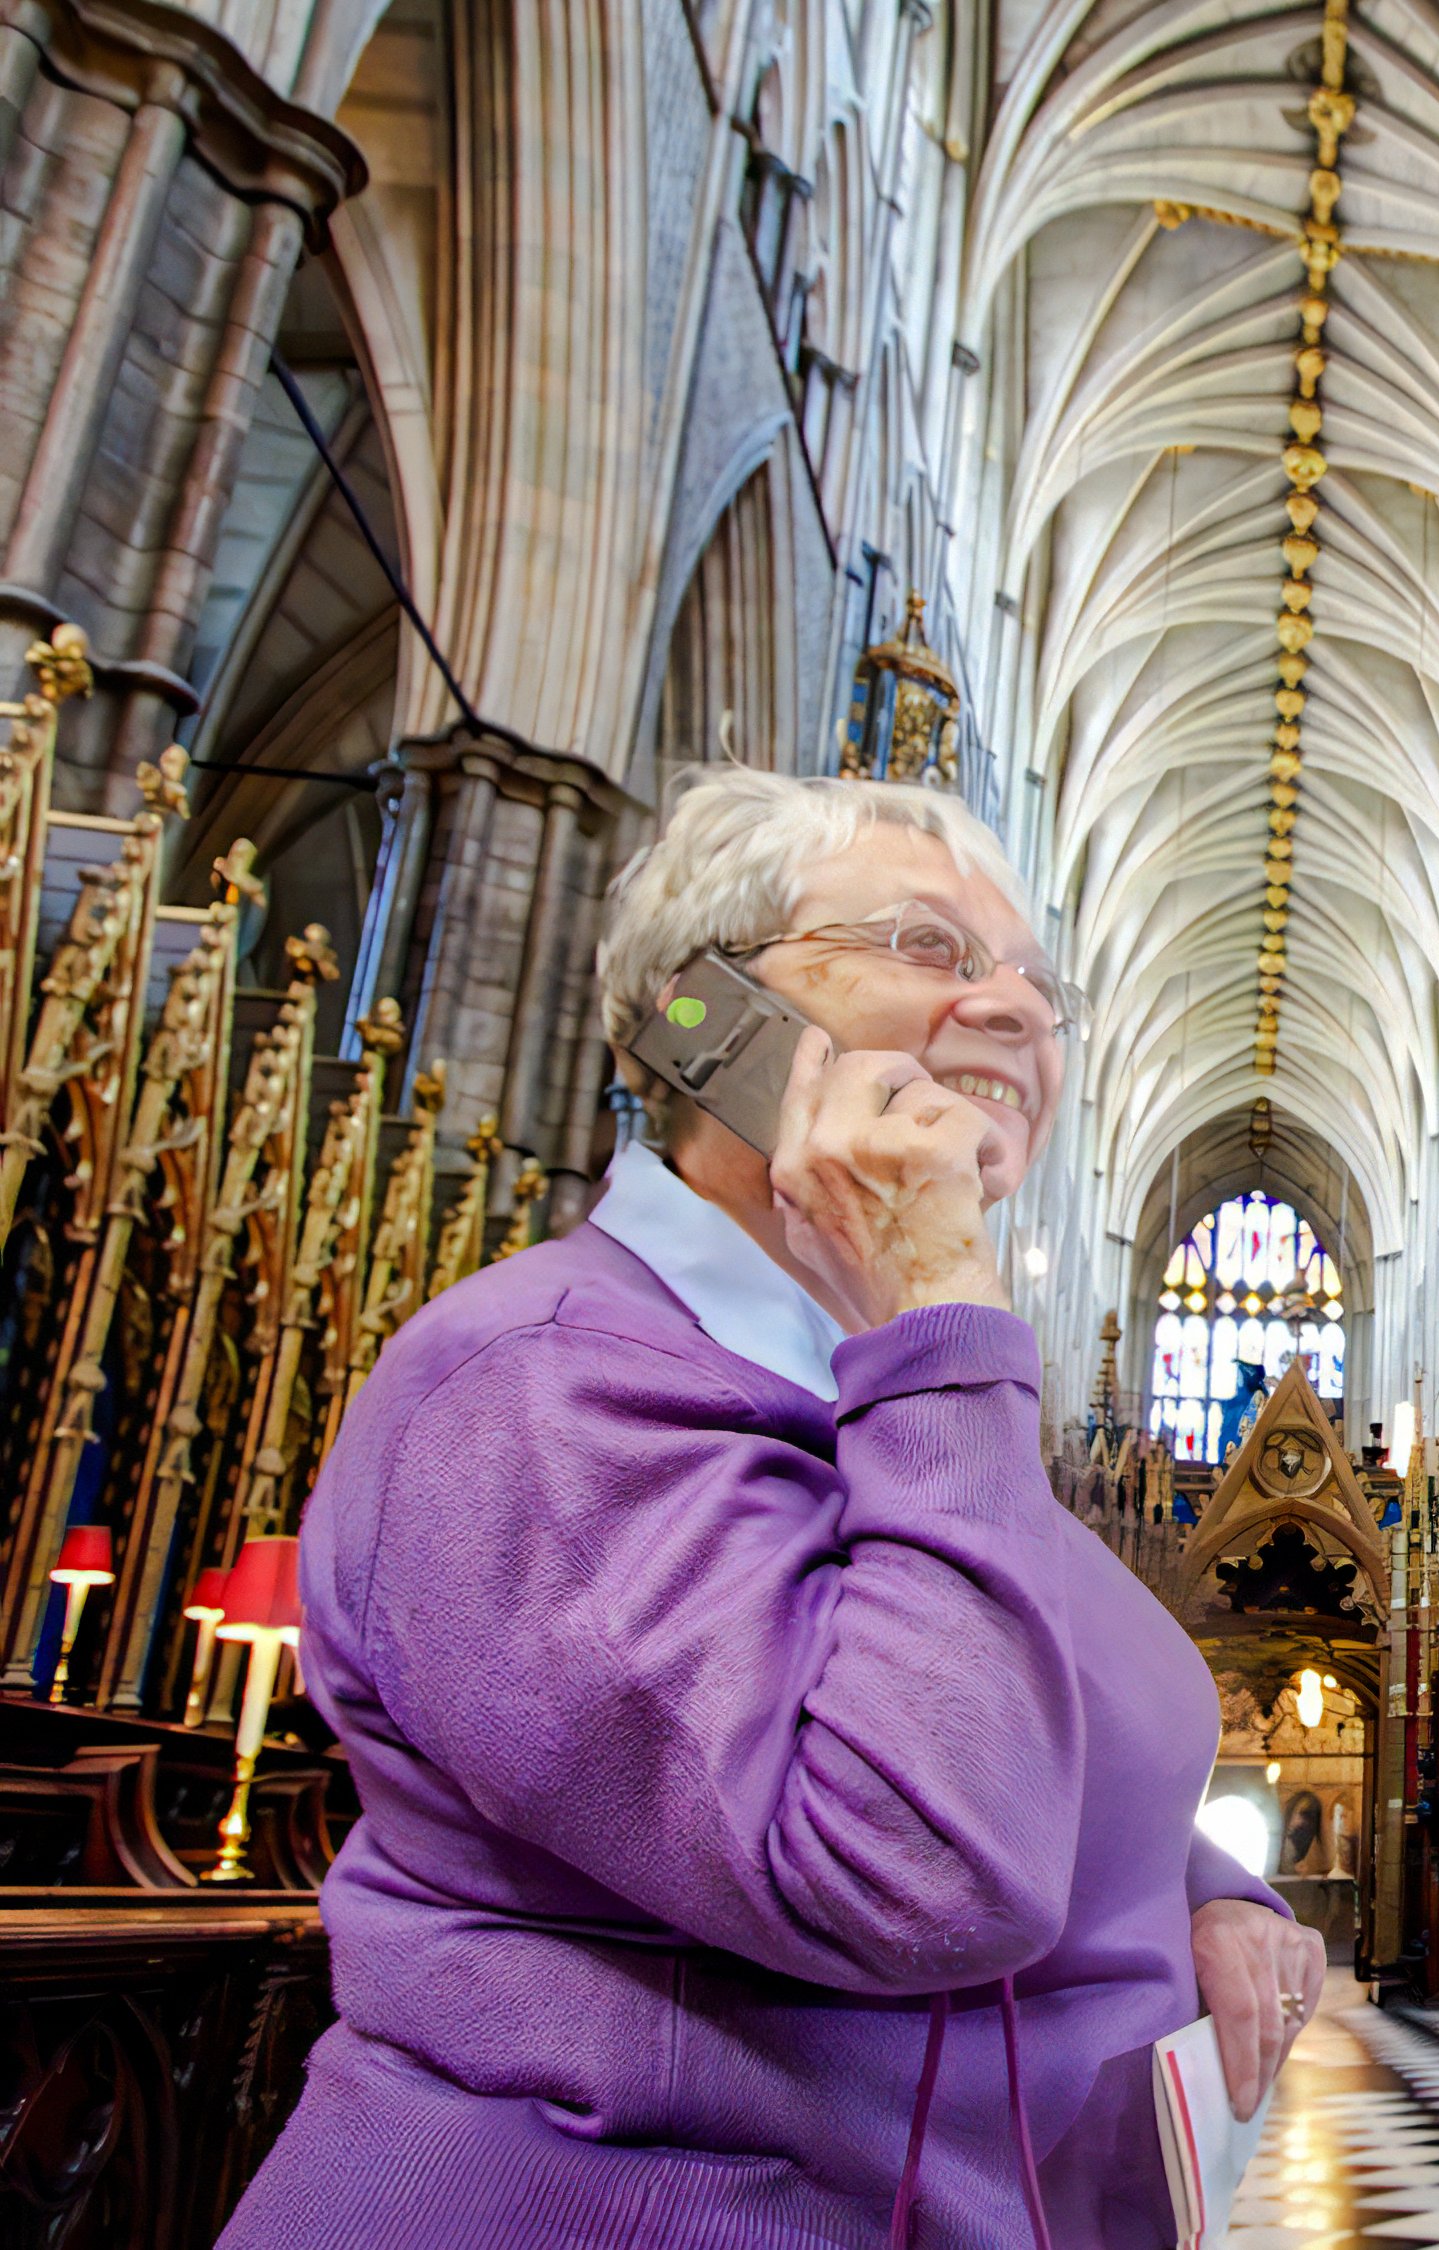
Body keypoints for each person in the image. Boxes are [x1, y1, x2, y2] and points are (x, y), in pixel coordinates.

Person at [225, 771, 1327, 2247]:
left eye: (1035, 984)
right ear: (709, 1013)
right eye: (929, 947)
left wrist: (1194, 1885)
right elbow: (908, 1863)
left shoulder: (878, 1397)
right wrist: (938, 1293)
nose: (1012, 1009)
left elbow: (1013, 1706)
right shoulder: (534, 1391)